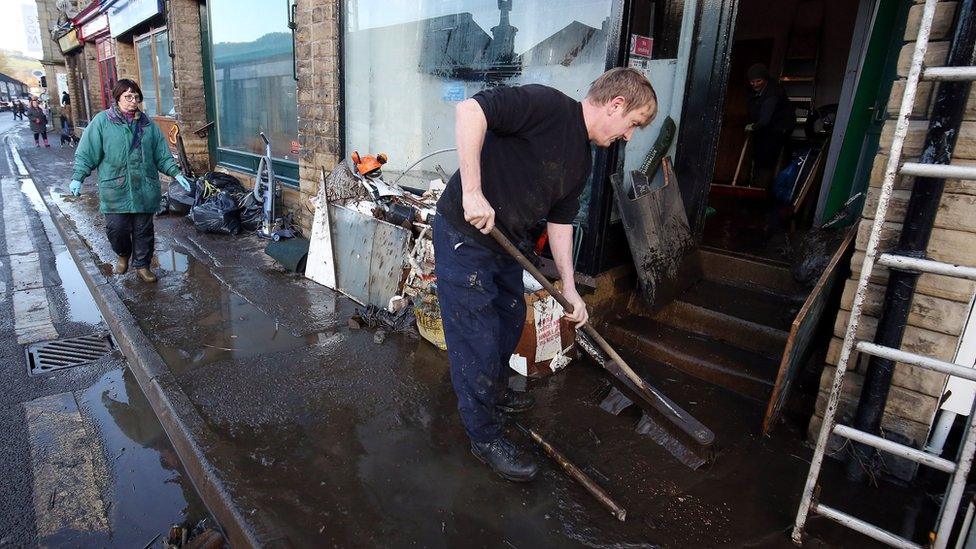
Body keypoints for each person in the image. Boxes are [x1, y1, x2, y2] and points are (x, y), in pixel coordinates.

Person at [434, 67, 657, 482]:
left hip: (505, 243)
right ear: (617, 104)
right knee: (476, 337)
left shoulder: (583, 160)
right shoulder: (547, 106)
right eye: (633, 125)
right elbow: (470, 111)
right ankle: (483, 435)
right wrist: (471, 190)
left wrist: (570, 290)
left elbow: (561, 223)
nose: (629, 136)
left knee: (510, 319)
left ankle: (495, 392)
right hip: (465, 235)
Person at [68, 79, 192, 283]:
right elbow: (87, 153)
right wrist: (78, 177)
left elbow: (161, 154)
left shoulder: (148, 125)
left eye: (136, 96)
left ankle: (142, 265)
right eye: (128, 96)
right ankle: (123, 254)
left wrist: (176, 173)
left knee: (144, 230)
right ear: (117, 98)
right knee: (117, 229)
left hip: (144, 187)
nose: (133, 100)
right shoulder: (102, 121)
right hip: (115, 188)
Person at [745, 63, 795, 189]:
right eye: (752, 82)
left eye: (758, 81)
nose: (755, 84)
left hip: (779, 128)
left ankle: (762, 189)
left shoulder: (773, 93)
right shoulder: (755, 92)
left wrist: (755, 126)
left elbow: (766, 118)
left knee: (766, 158)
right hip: (768, 128)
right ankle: (757, 186)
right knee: (759, 156)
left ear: (765, 79)